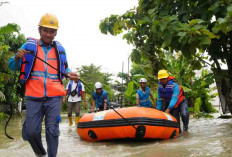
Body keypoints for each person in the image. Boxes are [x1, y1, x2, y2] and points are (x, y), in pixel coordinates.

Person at [8, 13, 78, 157]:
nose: (48, 33)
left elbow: (64, 69)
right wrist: (17, 57)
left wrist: (69, 73)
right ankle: (41, 154)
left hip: (54, 97)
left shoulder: (60, 49)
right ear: (39, 30)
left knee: (52, 131)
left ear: (56, 33)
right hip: (33, 96)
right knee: (31, 132)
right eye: (45, 30)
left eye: (52, 31)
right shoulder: (28, 46)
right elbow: (11, 66)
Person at [156, 70, 189, 134]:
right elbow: (159, 100)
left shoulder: (175, 85)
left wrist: (168, 109)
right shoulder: (160, 87)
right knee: (175, 119)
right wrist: (158, 110)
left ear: (167, 78)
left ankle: (185, 128)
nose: (162, 81)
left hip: (181, 101)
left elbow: (174, 98)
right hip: (171, 103)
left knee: (184, 114)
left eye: (164, 79)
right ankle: (178, 131)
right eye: (161, 79)